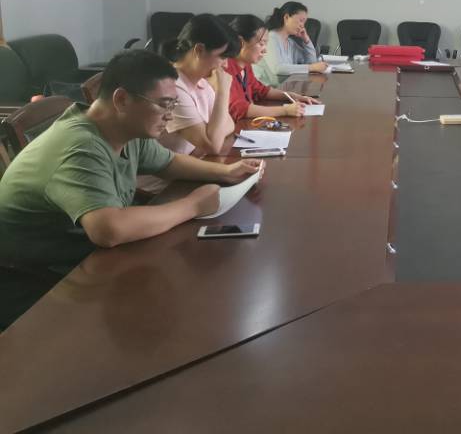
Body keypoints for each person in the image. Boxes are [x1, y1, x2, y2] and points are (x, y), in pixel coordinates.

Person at [0, 49, 264, 327]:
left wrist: (226, 171)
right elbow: (109, 229)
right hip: (31, 279)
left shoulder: (123, 127)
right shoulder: (80, 146)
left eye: (173, 104)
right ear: (122, 99)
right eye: (164, 105)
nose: (169, 115)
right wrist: (193, 205)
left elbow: (169, 163)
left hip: (79, 256)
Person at [157, 14, 238, 157]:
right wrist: (223, 91)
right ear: (199, 50)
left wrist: (211, 136)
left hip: (193, 164)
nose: (225, 65)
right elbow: (213, 146)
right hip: (171, 172)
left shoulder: (202, 83)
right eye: (222, 57)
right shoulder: (173, 87)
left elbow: (230, 123)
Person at [226, 15, 320, 120]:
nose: (265, 50)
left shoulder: (245, 66)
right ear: (241, 42)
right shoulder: (226, 69)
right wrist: (285, 110)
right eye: (261, 44)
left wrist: (294, 96)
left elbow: (262, 91)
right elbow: (239, 108)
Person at [254, 1, 328, 86]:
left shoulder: (290, 43)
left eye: (304, 22)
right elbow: (277, 68)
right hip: (262, 89)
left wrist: (306, 40)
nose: (302, 26)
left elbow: (311, 62)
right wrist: (311, 68)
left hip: (281, 88)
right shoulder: (270, 38)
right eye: (301, 20)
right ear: (286, 17)